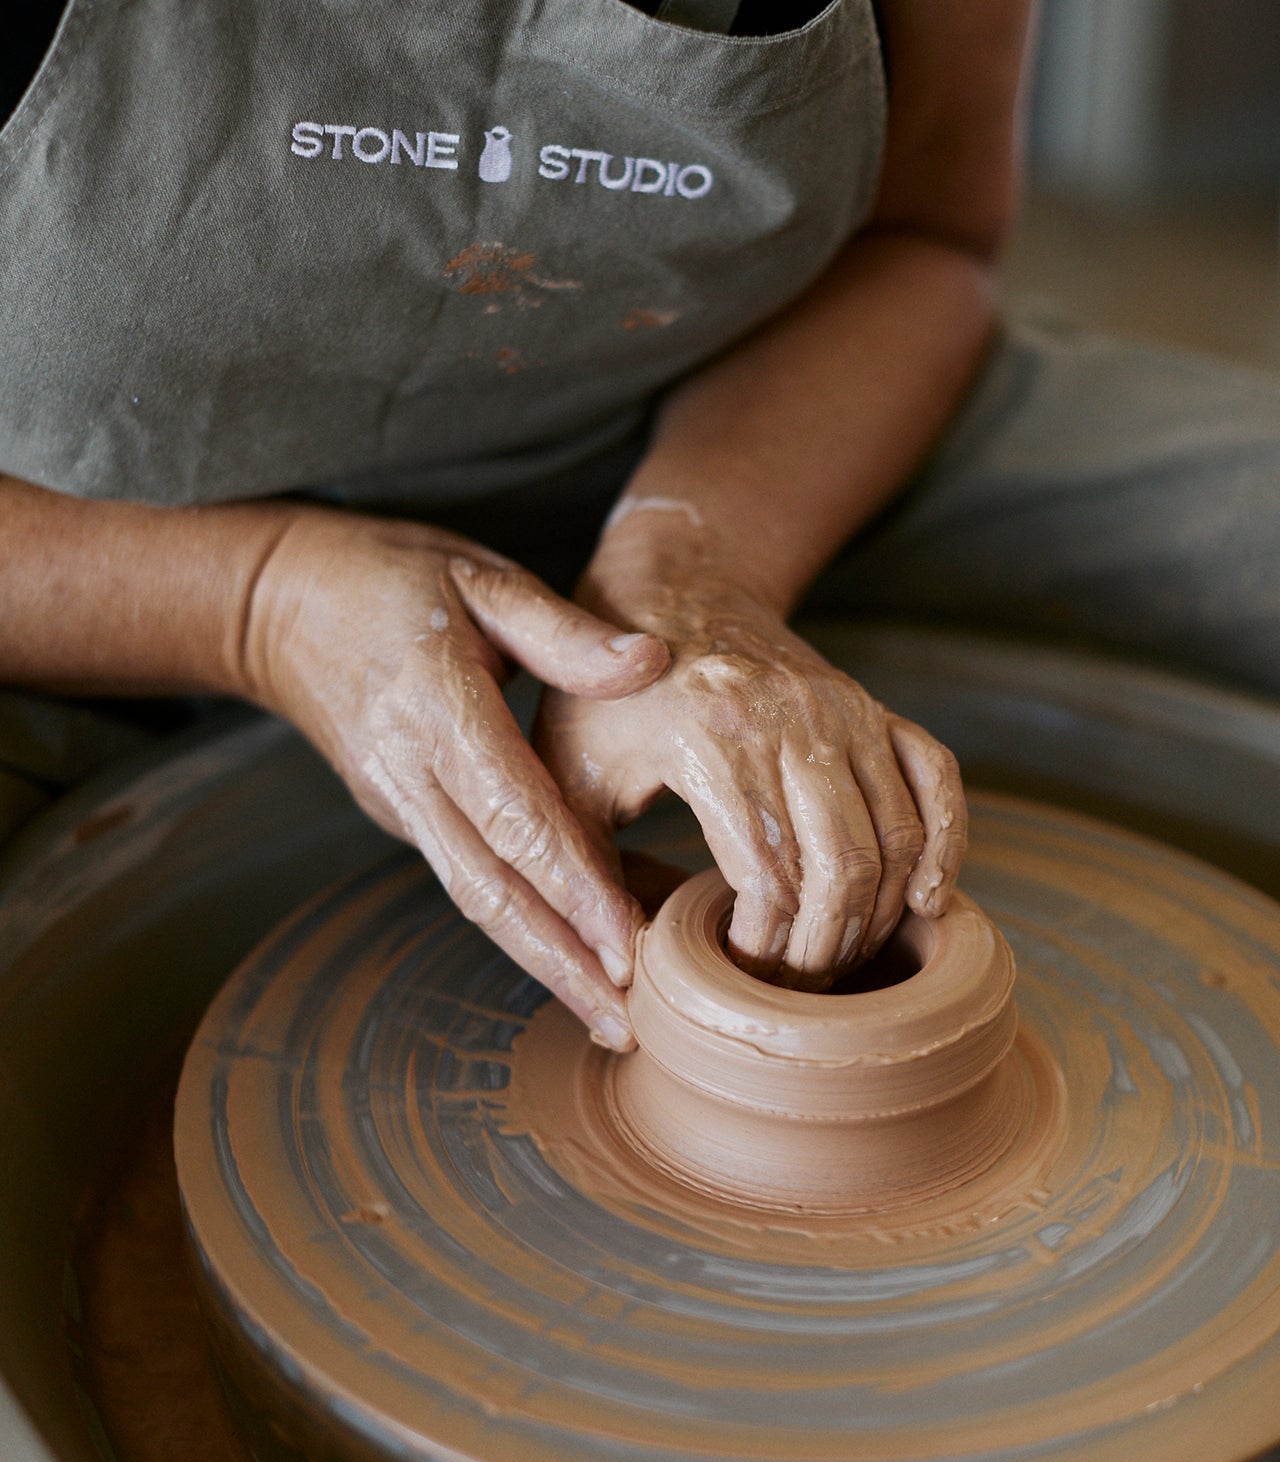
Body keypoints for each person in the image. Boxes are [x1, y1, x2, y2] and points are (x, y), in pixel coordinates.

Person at [1, 0, 1276, 1052]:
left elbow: (921, 239)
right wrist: (253, 605)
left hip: (726, 434)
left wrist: (691, 574)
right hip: (105, 529)